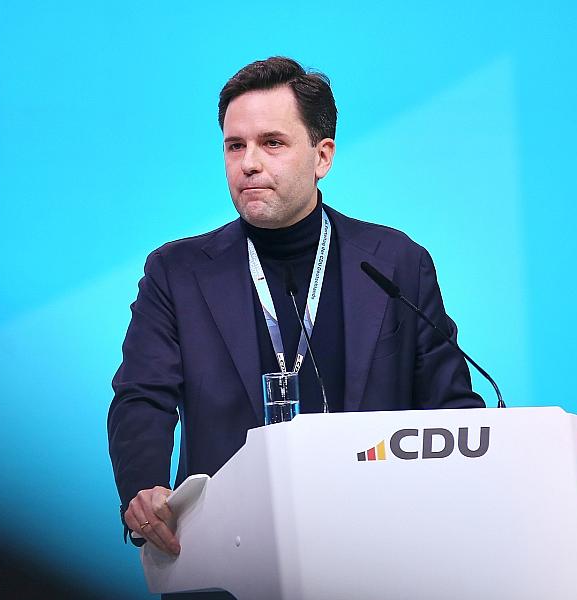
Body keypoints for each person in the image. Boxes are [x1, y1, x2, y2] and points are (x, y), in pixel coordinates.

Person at [107, 57, 484, 560]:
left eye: (272, 143)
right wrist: (144, 487)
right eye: (235, 146)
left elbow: (451, 411)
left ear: (322, 156)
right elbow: (142, 396)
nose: (249, 163)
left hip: (377, 552)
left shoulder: (395, 264)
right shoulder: (177, 273)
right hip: (226, 555)